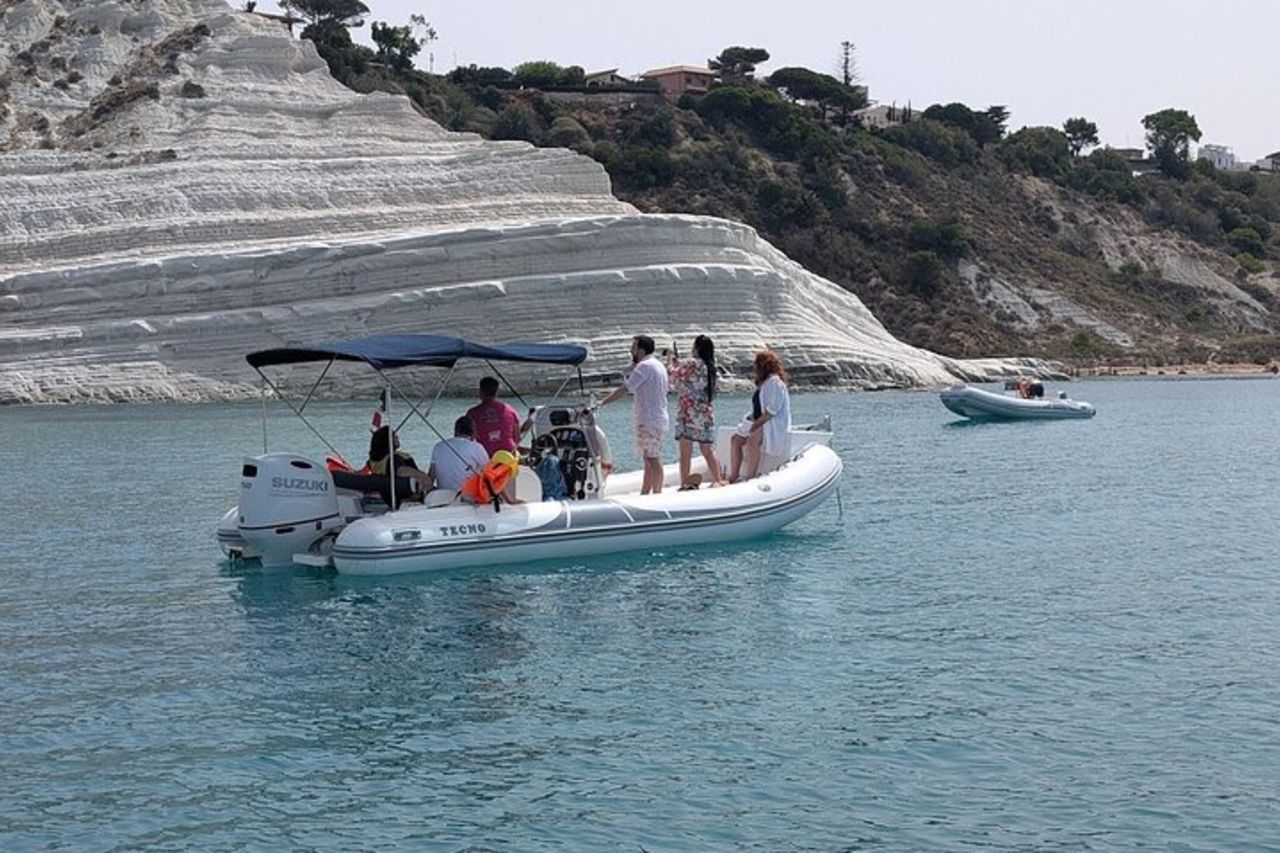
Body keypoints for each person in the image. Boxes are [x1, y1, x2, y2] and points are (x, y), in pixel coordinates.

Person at [596, 334, 669, 495]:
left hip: (649, 420)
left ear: (641, 350)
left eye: (634, 347)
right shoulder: (657, 365)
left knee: (653, 459)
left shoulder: (645, 367)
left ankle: (657, 494)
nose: (631, 350)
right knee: (649, 459)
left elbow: (625, 388)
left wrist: (602, 402)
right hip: (658, 419)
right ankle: (645, 492)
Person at [667, 335, 725, 488]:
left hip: (688, 413)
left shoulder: (692, 363)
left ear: (697, 348)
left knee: (685, 452)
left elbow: (673, 376)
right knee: (707, 450)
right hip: (705, 414)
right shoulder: (710, 367)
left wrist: (669, 361)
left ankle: (685, 483)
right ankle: (718, 479)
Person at [728, 350, 791, 482]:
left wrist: (756, 424)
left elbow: (772, 411)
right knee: (735, 440)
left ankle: (750, 477)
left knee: (752, 440)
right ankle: (733, 475)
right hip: (759, 421)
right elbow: (758, 407)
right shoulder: (764, 383)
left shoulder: (775, 382)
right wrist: (750, 418)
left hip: (770, 423)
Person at [427, 416, 491, 495]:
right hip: (467, 496)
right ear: (473, 432)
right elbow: (489, 474)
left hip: (443, 495)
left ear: (455, 431)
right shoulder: (477, 448)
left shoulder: (438, 446)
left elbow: (431, 475)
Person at [467, 376, 524, 457]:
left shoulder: (472, 413)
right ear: (496, 392)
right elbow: (517, 439)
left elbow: (468, 440)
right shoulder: (510, 410)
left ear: (480, 392)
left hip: (486, 455)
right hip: (509, 455)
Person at [367, 425, 433, 492]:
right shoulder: (394, 459)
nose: (397, 437)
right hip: (407, 492)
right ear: (387, 440)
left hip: (385, 491)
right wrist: (423, 476)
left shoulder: (372, 461)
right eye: (394, 436)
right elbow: (401, 471)